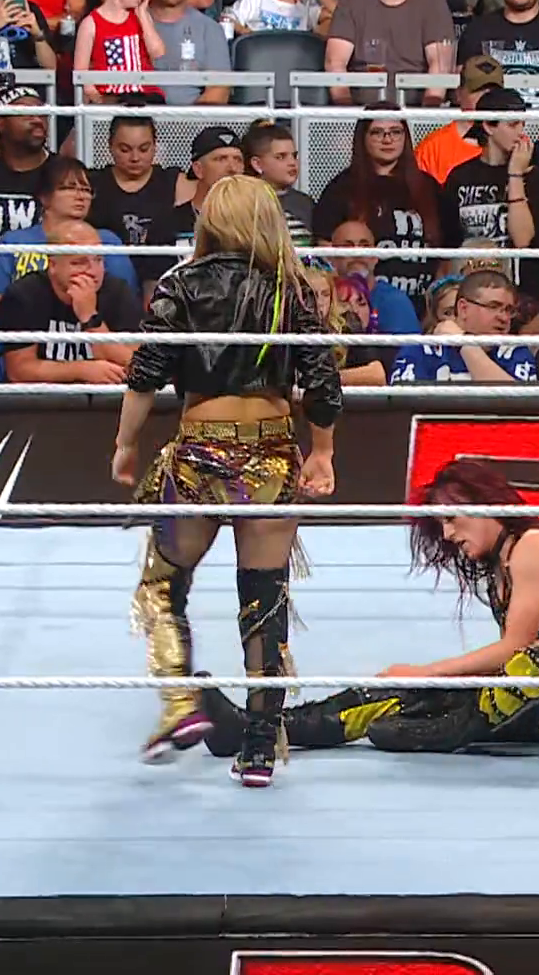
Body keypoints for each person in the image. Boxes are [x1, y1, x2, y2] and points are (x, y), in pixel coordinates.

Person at [111, 175, 342, 789]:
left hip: (200, 450)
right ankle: (260, 749)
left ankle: (180, 704)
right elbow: (321, 377)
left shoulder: (182, 284)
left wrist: (126, 443)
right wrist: (322, 452)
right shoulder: (291, 288)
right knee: (265, 599)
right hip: (270, 448)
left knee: (162, 583)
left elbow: (146, 371)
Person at [190, 460, 539, 757]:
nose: (447, 535)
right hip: (521, 701)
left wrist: (428, 674)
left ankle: (451, 723)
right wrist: (422, 682)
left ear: (485, 502)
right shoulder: (499, 564)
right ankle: (257, 729)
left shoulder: (533, 545)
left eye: (452, 518)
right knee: (389, 696)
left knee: (531, 665)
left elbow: (515, 648)